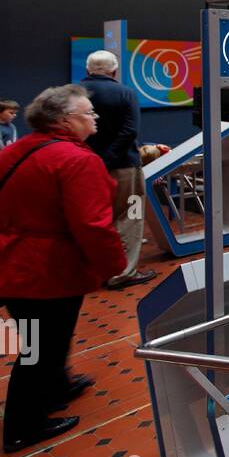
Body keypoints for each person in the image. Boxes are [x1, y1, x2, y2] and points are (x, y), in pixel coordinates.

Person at [0, 85, 126, 452]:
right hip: (46, 270)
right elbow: (92, 225)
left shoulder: (15, 151)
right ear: (64, 120)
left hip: (8, 262)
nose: (94, 117)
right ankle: (24, 426)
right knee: (41, 349)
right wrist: (113, 265)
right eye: (88, 112)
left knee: (43, 338)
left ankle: (57, 386)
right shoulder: (77, 160)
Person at [82, 51, 155, 287]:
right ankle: (123, 272)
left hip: (83, 169)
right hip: (125, 169)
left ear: (87, 70)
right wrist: (108, 159)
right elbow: (130, 131)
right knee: (130, 216)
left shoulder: (72, 93)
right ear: (114, 72)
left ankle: (93, 269)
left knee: (93, 218)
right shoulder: (125, 93)